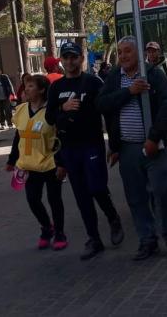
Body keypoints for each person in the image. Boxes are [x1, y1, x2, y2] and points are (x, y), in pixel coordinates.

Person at [96, 36, 167, 260]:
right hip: (128, 149)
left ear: (140, 53)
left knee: (163, 192)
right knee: (136, 197)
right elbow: (102, 104)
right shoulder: (114, 77)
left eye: (127, 51)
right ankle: (147, 240)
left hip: (155, 146)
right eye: (120, 52)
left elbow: (166, 108)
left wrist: (153, 138)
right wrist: (129, 92)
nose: (122, 56)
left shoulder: (154, 75)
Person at [45, 41, 125, 260]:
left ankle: (113, 218)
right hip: (69, 148)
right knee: (81, 195)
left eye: (73, 57)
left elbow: (108, 111)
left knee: (97, 187)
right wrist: (63, 107)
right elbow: (49, 117)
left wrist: (114, 144)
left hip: (92, 144)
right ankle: (94, 239)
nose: (70, 62)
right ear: (61, 61)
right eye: (66, 57)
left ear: (81, 58)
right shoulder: (56, 88)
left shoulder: (92, 82)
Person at [6, 75, 68, 251]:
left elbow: (62, 136)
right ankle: (46, 228)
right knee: (33, 200)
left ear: (41, 90)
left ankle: (60, 233)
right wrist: (12, 160)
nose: (26, 89)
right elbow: (18, 136)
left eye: (31, 86)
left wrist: (62, 163)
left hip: (50, 162)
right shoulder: (21, 110)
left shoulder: (51, 111)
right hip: (28, 164)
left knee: (54, 199)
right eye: (26, 86)